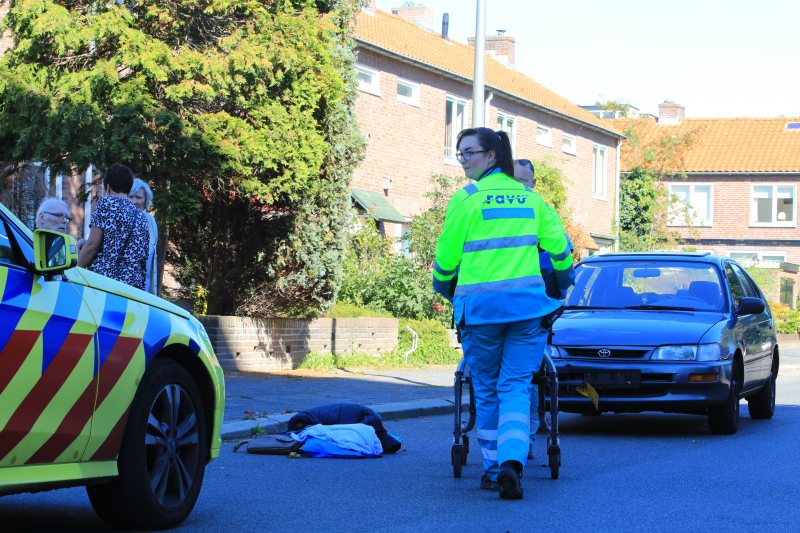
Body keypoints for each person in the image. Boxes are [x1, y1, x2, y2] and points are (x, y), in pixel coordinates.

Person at [433, 128, 574, 500]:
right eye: (459, 153)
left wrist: (446, 288)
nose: (462, 160)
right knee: (516, 386)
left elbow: (446, 261)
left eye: (469, 153)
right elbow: (561, 251)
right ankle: (515, 461)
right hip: (527, 312)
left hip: (481, 315)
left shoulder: (466, 200)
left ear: (492, 156)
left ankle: (495, 468)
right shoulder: (532, 199)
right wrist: (561, 284)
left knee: (487, 389)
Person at [512, 159, 574, 461]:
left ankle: (525, 436)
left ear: (534, 184)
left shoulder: (541, 212)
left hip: (535, 313)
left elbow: (561, 258)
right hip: (506, 309)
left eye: (526, 181)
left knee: (528, 377)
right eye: (516, 180)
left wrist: (555, 301)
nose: (521, 187)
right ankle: (513, 438)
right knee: (518, 378)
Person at [78, 164, 149, 290]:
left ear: (107, 187)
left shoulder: (106, 204)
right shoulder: (142, 217)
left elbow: (93, 246)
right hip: (133, 285)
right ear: (129, 187)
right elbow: (143, 258)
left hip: (105, 282)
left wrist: (75, 271)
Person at [129, 178, 158, 295]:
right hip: (123, 288)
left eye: (138, 197)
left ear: (145, 200)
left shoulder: (150, 221)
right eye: (130, 196)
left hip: (144, 291)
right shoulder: (120, 220)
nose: (134, 201)